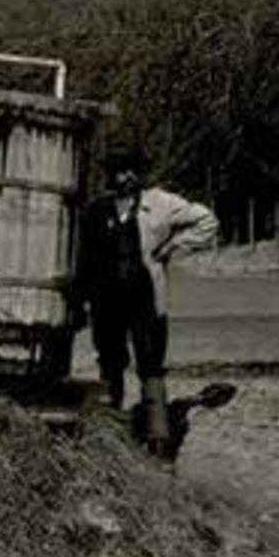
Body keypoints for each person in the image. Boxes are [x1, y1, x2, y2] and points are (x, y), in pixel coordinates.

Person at [75, 147, 218, 456]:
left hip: (146, 298)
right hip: (106, 300)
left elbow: (207, 221)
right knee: (111, 363)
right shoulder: (96, 210)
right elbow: (85, 258)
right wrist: (82, 297)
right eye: (118, 171)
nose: (125, 177)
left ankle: (158, 436)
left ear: (139, 172)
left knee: (150, 365)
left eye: (130, 170)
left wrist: (173, 247)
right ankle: (111, 433)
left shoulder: (161, 203)